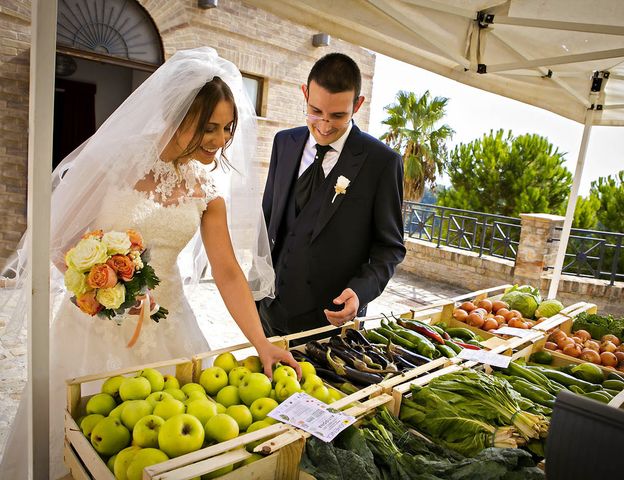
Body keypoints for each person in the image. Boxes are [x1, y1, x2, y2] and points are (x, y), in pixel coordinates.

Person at [0, 47, 299, 479]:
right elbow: (59, 235)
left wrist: (261, 342)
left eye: (227, 127)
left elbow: (228, 270)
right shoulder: (116, 160)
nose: (220, 140)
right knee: (76, 441)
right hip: (94, 326)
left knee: (153, 452)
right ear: (179, 117)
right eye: (209, 127)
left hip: (168, 322)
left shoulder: (208, 187)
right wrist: (97, 286)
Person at [259, 53, 406, 336]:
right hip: (268, 311)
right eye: (315, 111)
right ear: (305, 93)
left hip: (331, 321)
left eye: (337, 115)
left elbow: (390, 247)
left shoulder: (382, 162)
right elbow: (268, 220)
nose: (324, 125)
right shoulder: (284, 143)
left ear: (358, 105)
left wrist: (360, 293)